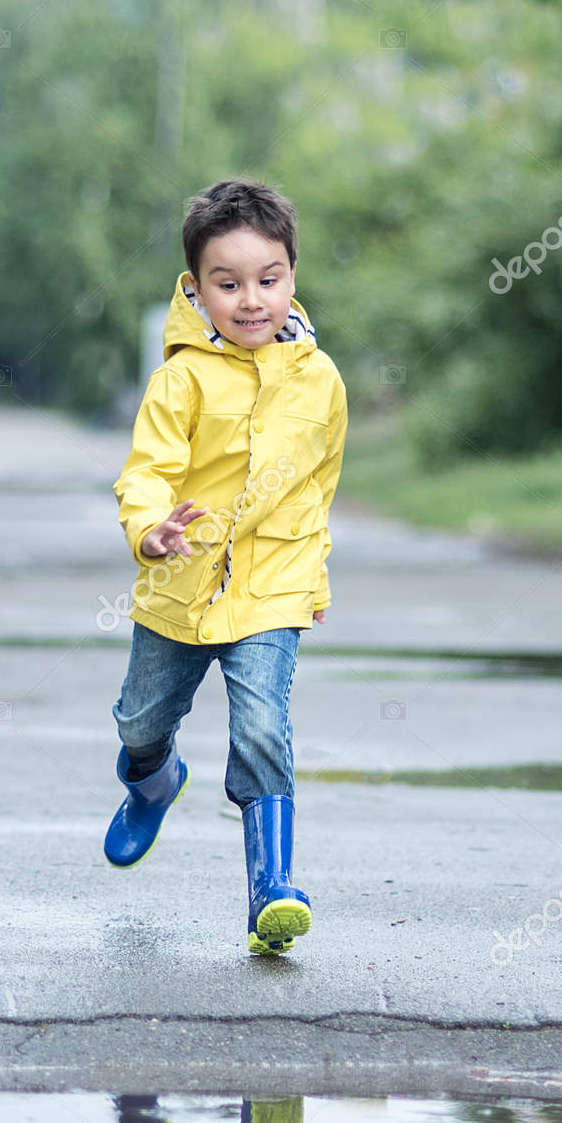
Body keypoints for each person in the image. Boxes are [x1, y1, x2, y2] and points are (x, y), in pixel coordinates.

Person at [103, 177, 348, 954]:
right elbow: (144, 472)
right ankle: (154, 780)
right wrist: (149, 530)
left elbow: (317, 492)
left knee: (261, 731)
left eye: (267, 280)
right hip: (178, 587)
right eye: (228, 283)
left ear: (291, 277)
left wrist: (312, 581)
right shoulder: (180, 379)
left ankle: (270, 894)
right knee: (139, 720)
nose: (250, 300)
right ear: (196, 289)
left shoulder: (320, 381)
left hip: (270, 592)